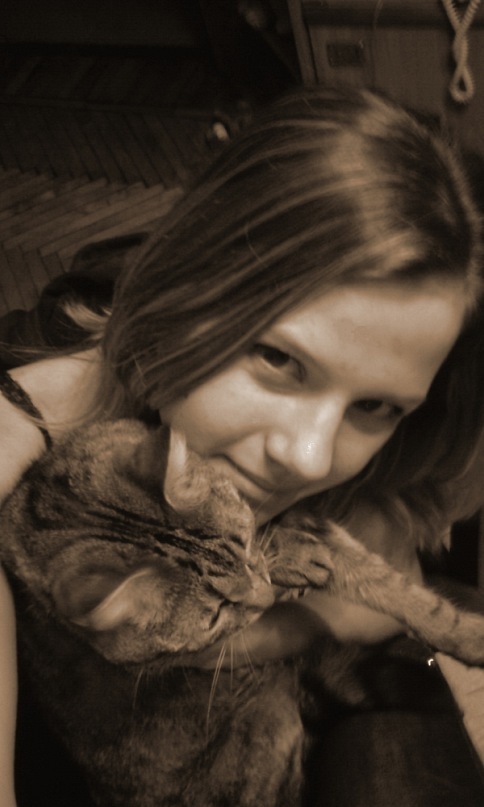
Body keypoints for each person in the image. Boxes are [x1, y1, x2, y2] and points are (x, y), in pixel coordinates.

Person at [1, 86, 484, 806]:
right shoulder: (23, 435)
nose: (311, 458)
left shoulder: (412, 439)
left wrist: (311, 624)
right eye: (279, 359)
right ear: (181, 294)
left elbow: (397, 571)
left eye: (377, 406)